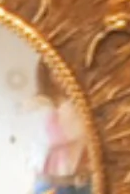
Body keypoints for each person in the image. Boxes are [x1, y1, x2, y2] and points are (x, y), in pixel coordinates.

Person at [33, 62, 90, 194]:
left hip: (84, 179)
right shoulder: (41, 105)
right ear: (47, 75)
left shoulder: (83, 103)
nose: (64, 74)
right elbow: (50, 139)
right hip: (52, 181)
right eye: (56, 70)